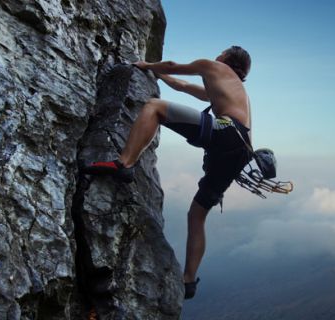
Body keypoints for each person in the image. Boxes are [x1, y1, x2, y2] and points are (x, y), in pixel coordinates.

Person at [81, 46, 253, 300]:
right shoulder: (228, 88)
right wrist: (159, 76)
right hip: (240, 151)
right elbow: (181, 84)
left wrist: (148, 65)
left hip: (226, 133)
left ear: (227, 58)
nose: (218, 55)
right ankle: (189, 281)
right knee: (197, 215)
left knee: (154, 107)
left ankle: (124, 163)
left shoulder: (215, 67)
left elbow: (173, 65)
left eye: (223, 52)